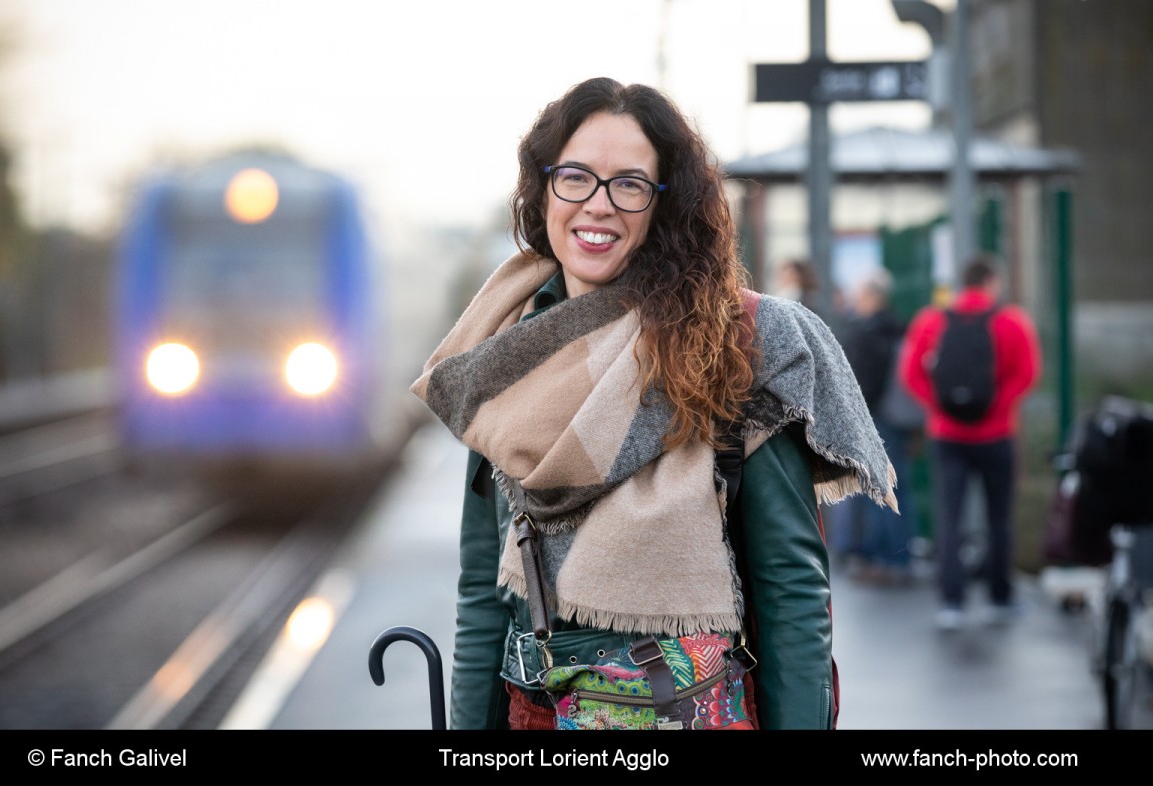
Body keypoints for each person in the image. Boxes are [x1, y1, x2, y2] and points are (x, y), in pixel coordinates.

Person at [410, 77, 896, 730]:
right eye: (576, 177)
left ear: (662, 204)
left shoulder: (738, 341)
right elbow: (484, 596)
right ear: (544, 187)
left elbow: (792, 592)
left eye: (629, 184)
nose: (598, 205)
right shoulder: (498, 353)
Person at [898, 254, 1041, 630]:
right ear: (992, 282)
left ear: (963, 283)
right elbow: (1028, 372)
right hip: (997, 435)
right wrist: (998, 405)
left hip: (947, 436)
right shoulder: (1012, 322)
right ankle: (999, 597)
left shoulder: (932, 322)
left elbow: (910, 373)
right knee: (999, 517)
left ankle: (952, 602)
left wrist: (938, 408)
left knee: (950, 517)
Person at [829, 268, 915, 584]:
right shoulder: (899, 326)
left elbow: (861, 382)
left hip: (874, 420)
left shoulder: (866, 331)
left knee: (876, 490)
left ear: (871, 296)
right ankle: (901, 556)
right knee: (898, 487)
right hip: (898, 418)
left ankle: (883, 559)